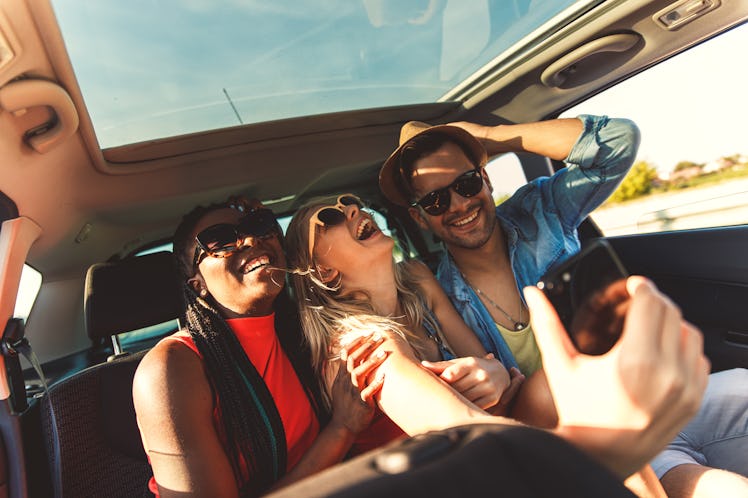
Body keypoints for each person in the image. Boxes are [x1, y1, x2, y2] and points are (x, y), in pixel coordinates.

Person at [377, 114, 748, 497]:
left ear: (485, 180)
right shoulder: (438, 303)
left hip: (645, 387)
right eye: (436, 200)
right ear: (419, 217)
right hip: (583, 439)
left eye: (467, 183)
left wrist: (490, 136)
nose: (458, 205)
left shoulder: (538, 212)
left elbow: (618, 142)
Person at [284, 190, 709, 484]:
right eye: (331, 218)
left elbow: (494, 366)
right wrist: (603, 441)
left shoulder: (415, 279)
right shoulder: (362, 346)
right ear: (324, 273)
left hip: (488, 437)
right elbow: (469, 434)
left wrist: (495, 376)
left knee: (559, 381)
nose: (353, 210)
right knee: (599, 426)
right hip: (449, 476)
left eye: (351, 203)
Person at [132, 198, 387, 498]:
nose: (251, 239)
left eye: (259, 227)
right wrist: (341, 430)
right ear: (197, 284)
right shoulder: (170, 368)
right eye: (220, 240)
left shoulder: (301, 333)